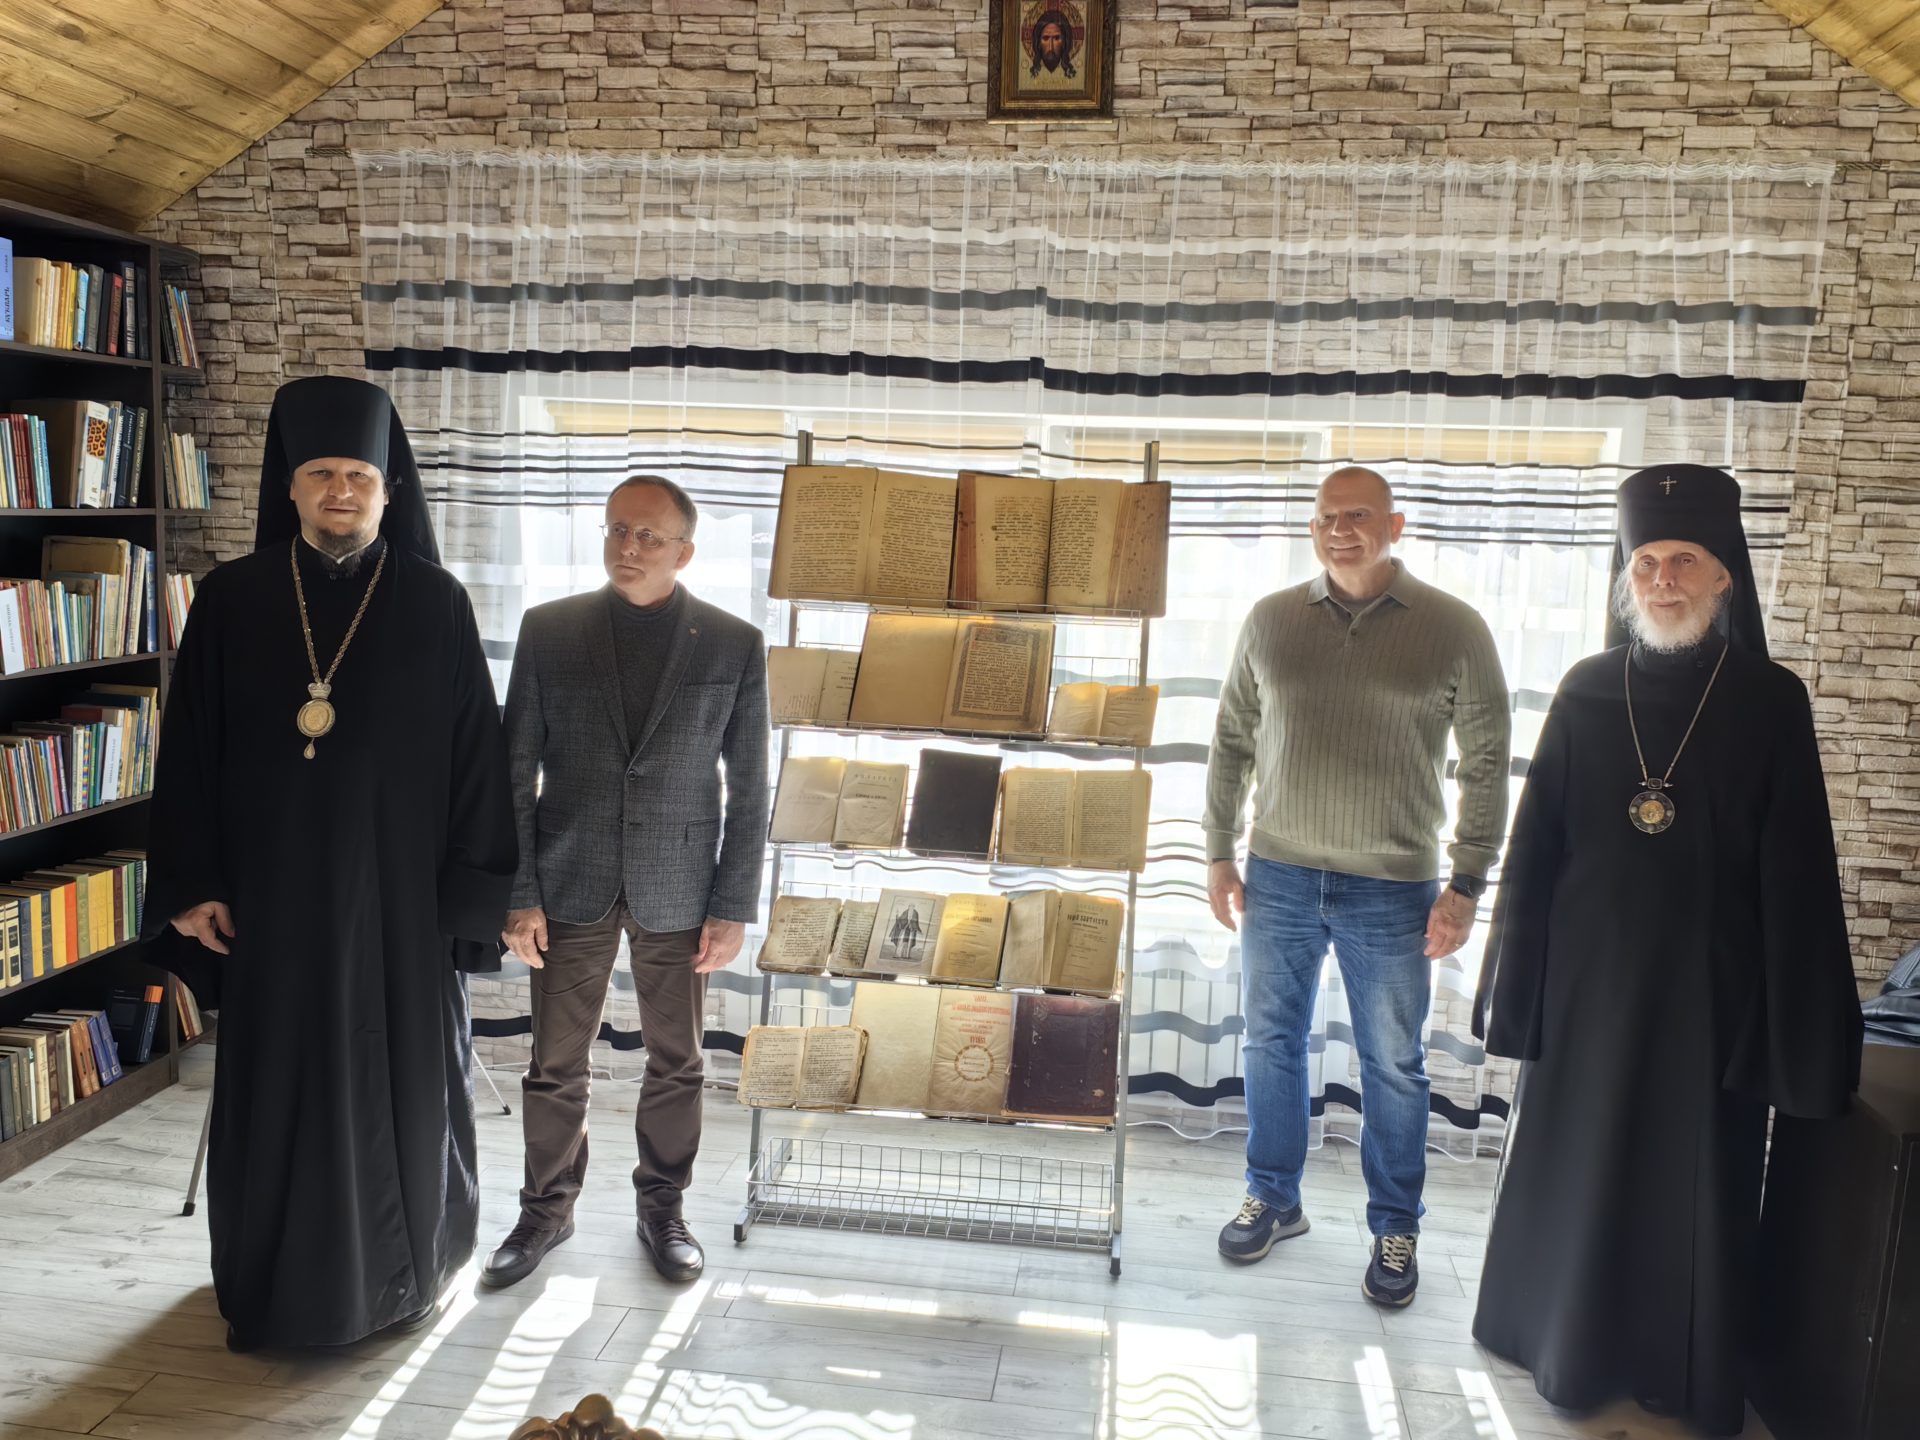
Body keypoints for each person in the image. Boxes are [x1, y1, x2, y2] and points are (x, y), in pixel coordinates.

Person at [1471, 464, 1863, 1435]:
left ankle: (1671, 1369)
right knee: (1578, 1164)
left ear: (1725, 574)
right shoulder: (1585, 687)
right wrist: (1516, 991)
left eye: (1684, 561)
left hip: (1710, 998)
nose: (1663, 580)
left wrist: (1802, 1032)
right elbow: (1534, 849)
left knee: (1691, 1183)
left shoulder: (1771, 700)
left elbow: (1797, 867)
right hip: (1586, 991)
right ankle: (1557, 1340)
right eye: (1645, 562)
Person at [144, 375, 518, 1352]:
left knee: (407, 1083)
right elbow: (188, 752)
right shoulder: (230, 600)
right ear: (292, 485)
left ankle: (407, 1280)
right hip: (269, 902)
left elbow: (479, 762)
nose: (340, 492)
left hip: (401, 908)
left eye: (359, 475)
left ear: (389, 488)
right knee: (278, 1088)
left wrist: (469, 904)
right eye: (321, 474)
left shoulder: (436, 602)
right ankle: (272, 1291)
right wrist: (191, 884)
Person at [1204, 465, 1510, 1307]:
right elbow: (1231, 740)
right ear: (1313, 528)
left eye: (1358, 516)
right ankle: (1274, 1197)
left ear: (1395, 525)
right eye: (1326, 518)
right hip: (1278, 876)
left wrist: (1468, 883)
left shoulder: (1455, 628)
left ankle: (1395, 1227)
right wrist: (1218, 852)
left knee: (1394, 1065)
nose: (1340, 531)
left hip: (1395, 888)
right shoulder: (1270, 619)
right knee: (1270, 1043)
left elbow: (1487, 763)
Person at [484, 475, 770, 1290]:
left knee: (677, 1063)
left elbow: (751, 787)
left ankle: (663, 1210)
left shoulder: (734, 643)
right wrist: (519, 893)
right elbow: (513, 772)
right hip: (566, 879)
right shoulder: (550, 630)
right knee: (554, 1063)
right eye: (617, 529)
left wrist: (731, 906)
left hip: (681, 888)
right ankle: (545, 1211)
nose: (628, 547)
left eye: (648, 536)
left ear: (685, 551)